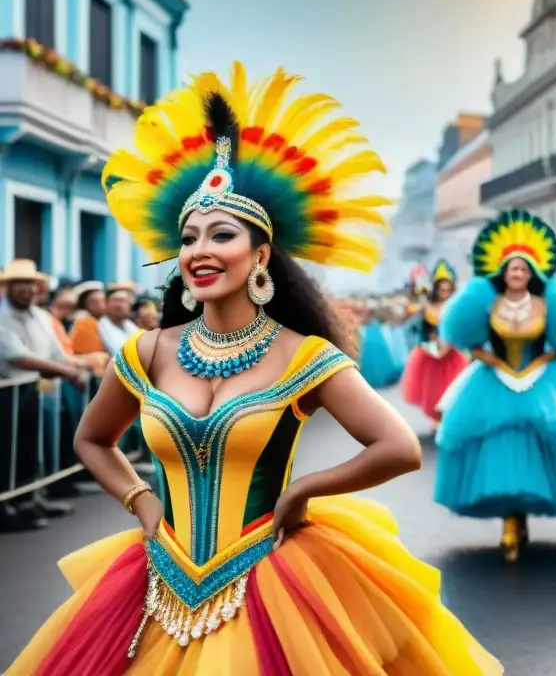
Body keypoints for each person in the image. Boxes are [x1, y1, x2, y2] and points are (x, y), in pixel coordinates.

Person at [8, 63, 501, 675]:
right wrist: (140, 501)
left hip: (272, 580)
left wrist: (302, 491)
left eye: (221, 235)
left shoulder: (304, 355)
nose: (200, 251)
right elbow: (92, 439)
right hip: (156, 578)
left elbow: (396, 446)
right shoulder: (146, 351)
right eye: (188, 238)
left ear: (260, 254)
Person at [434, 209, 556, 562]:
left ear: (531, 273)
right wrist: (495, 363)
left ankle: (524, 514)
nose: (516, 274)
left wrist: (539, 363)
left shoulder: (550, 303)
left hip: (542, 381)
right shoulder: (485, 303)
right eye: (511, 269)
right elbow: (470, 344)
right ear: (502, 273)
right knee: (501, 448)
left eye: (522, 269)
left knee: (545, 447)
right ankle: (510, 520)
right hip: (493, 383)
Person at [400, 259, 469, 424]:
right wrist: (425, 343)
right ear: (436, 288)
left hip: (454, 352)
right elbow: (416, 328)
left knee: (456, 388)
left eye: (447, 288)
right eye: (441, 288)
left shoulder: (458, 306)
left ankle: (451, 418)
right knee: (433, 391)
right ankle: (437, 419)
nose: (444, 291)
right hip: (432, 353)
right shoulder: (427, 307)